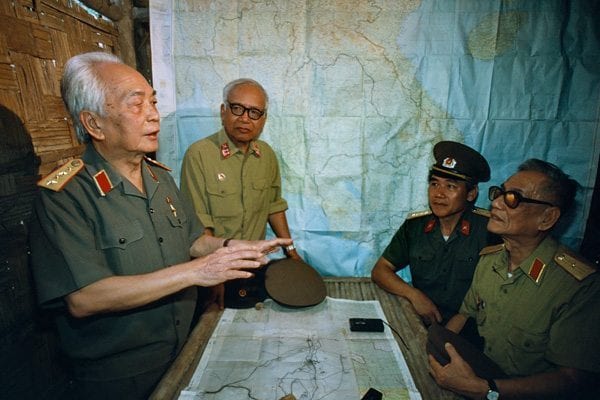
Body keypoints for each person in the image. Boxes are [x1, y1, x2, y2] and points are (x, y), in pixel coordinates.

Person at [29, 52, 291, 400]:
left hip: (182, 348)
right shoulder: (65, 195)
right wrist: (199, 272)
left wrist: (230, 249)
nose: (154, 115)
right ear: (94, 124)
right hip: (120, 376)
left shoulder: (159, 178)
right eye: (136, 105)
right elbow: (84, 298)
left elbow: (195, 240)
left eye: (152, 102)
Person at [429, 159, 600, 399]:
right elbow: (464, 315)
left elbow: (573, 380)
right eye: (499, 193)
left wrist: (486, 390)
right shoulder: (489, 261)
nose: (496, 203)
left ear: (547, 218)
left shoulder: (579, 287)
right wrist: (435, 354)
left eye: (512, 198)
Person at [180, 79, 301, 306]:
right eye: (237, 109)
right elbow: (199, 224)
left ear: (263, 119)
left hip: (255, 269)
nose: (245, 118)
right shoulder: (199, 155)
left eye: (255, 112)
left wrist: (292, 252)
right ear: (223, 111)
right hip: (214, 273)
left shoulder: (266, 156)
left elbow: (274, 206)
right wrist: (214, 277)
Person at [371, 141, 499, 329]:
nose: (438, 194)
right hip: (423, 323)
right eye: (434, 184)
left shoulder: (490, 230)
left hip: (474, 330)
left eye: (450, 187)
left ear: (471, 194)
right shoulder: (415, 227)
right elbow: (380, 270)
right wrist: (414, 295)